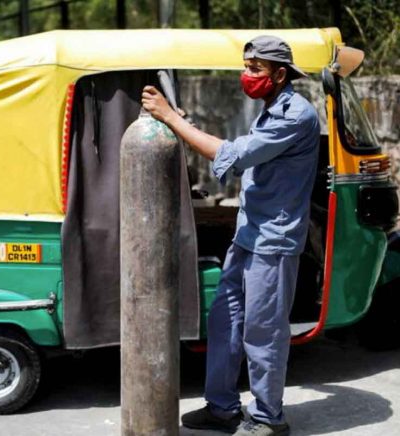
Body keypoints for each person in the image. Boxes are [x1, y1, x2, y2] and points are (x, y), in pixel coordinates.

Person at [142, 35, 319, 436]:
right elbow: (238, 150)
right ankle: (222, 408)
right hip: (248, 234)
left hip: (273, 242)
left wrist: (173, 119)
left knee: (263, 332)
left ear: (279, 74)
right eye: (245, 66)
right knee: (225, 320)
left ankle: (268, 419)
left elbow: (234, 156)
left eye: (255, 69)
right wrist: (182, 122)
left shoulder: (296, 115)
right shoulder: (271, 108)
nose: (246, 75)